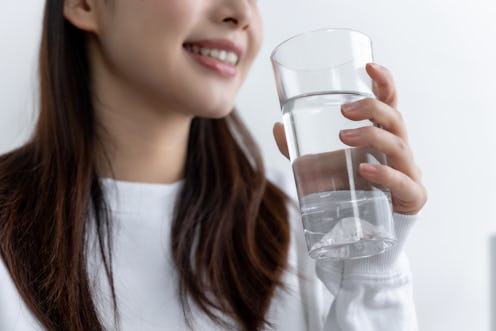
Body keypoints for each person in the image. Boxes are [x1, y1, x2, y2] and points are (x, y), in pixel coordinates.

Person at [0, 0, 427, 330]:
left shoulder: (297, 220)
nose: (240, 13)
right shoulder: (9, 234)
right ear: (85, 4)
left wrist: (373, 263)